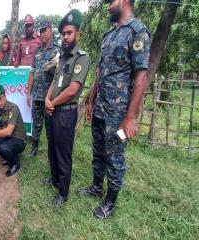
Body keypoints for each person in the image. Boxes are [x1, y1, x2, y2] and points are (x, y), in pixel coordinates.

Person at [80, 0, 151, 219]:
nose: (108, 6)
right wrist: (91, 100)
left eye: (110, 2)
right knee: (98, 149)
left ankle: (110, 201)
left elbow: (141, 76)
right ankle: (96, 187)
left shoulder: (137, 31)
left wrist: (131, 117)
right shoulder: (109, 35)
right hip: (101, 105)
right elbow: (100, 72)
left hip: (118, 111)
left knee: (115, 155)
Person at [44, 9, 90, 207]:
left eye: (69, 33)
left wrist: (52, 103)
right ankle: (54, 180)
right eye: (63, 33)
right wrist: (47, 99)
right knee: (52, 149)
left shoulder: (82, 58)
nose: (65, 36)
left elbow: (73, 90)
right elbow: (54, 82)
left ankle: (63, 193)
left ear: (77, 34)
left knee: (63, 153)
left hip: (66, 113)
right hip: (53, 111)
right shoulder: (62, 58)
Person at [27, 20, 59, 157]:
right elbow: (32, 73)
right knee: (37, 123)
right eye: (40, 31)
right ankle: (34, 148)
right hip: (37, 95)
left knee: (50, 126)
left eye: (44, 31)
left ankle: (51, 151)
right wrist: (29, 92)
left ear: (51, 30)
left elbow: (60, 74)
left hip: (50, 97)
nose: (42, 34)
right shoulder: (37, 51)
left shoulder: (57, 50)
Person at [0, 85, 27, 177]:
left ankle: (15, 163)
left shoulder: (13, 108)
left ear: (5, 96)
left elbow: (9, 131)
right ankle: (8, 157)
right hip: (9, 138)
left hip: (19, 140)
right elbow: (0, 128)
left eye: (0, 98)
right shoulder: (0, 111)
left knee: (4, 147)